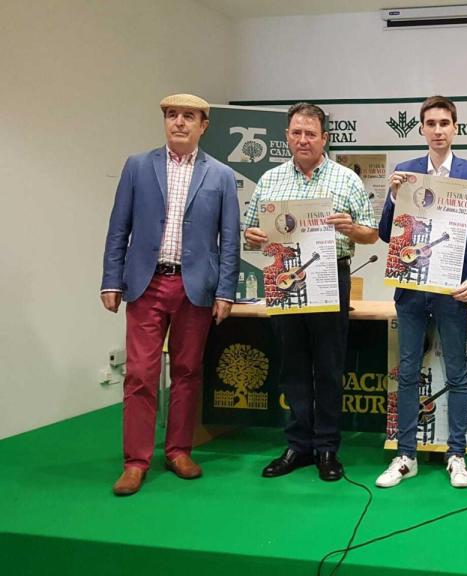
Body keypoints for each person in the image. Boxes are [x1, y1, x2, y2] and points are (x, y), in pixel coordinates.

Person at [101, 93, 239, 496]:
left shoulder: (221, 176)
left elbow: (229, 240)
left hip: (195, 287)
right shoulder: (138, 167)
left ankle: (178, 450)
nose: (179, 123)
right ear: (165, 121)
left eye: (189, 116)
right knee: (140, 374)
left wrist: (226, 290)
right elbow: (118, 227)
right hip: (145, 284)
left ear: (203, 125)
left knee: (187, 372)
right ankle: (135, 461)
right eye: (172, 116)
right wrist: (111, 280)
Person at [243, 103, 377, 482]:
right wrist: (252, 236)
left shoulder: (345, 179)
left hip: (330, 276)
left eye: (311, 133)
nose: (303, 140)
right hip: (284, 274)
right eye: (296, 132)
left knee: (329, 366)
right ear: (287, 136)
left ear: (325, 139)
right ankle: (298, 445)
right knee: (293, 364)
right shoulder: (269, 180)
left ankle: (327, 448)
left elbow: (371, 234)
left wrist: (351, 228)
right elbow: (251, 231)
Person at [375, 96, 467, 489]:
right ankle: (406, 455)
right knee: (408, 372)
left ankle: (457, 455)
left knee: (458, 374)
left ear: (456, 127)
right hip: (411, 290)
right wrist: (394, 197)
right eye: (431, 123)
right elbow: (384, 233)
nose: (438, 129)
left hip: (452, 291)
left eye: (445, 122)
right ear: (422, 129)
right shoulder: (405, 172)